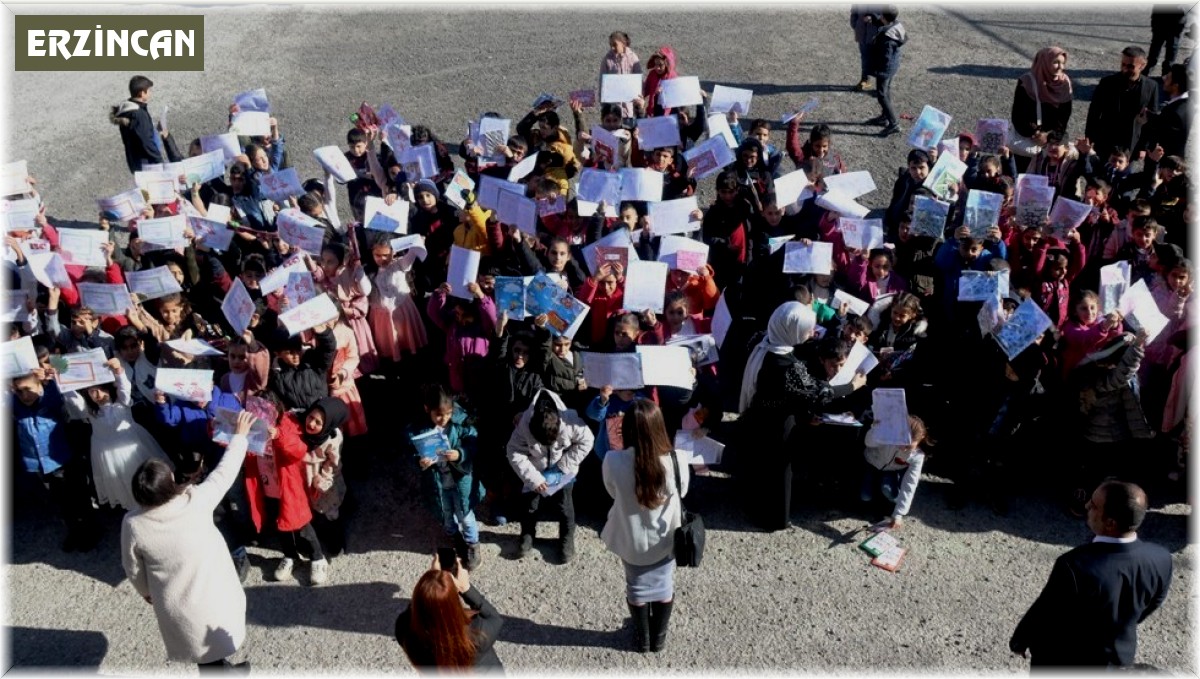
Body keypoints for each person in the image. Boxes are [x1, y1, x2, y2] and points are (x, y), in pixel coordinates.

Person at [121, 411, 257, 672]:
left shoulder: (134, 523)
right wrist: (239, 437)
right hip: (214, 594)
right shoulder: (195, 502)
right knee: (211, 650)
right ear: (170, 483)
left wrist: (146, 592)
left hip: (178, 607)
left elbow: (133, 568)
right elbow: (224, 472)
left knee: (201, 649)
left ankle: (224, 668)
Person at [1009, 480, 1173, 668]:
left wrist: (1020, 641)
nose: (1086, 505)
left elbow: (1046, 613)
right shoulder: (1161, 558)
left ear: (1110, 523)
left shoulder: (1074, 565)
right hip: (1118, 661)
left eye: (1093, 505)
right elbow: (1152, 604)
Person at [600, 399, 690, 653]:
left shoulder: (613, 460)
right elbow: (682, 491)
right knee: (665, 585)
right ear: (659, 427)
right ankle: (658, 639)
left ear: (627, 429)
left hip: (631, 539)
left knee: (635, 585)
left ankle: (642, 639)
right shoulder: (677, 460)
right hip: (666, 538)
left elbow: (611, 492)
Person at [394, 554, 504, 670]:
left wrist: (432, 585)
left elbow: (416, 608)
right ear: (453, 599)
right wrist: (465, 588)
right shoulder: (478, 633)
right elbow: (495, 618)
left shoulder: (404, 629)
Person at [1084, 46, 1159, 159]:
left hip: (1132, 144)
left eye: (1130, 66)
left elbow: (1152, 120)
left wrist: (1144, 147)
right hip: (1106, 141)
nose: (1124, 69)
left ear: (1142, 66)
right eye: (1123, 64)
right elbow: (1094, 112)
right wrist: (1089, 139)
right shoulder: (1107, 83)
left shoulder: (1151, 86)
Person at [1009, 47, 1074, 165]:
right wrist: (1036, 133)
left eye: (1063, 63)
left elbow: (1064, 117)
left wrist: (1049, 136)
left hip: (1051, 145)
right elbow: (1018, 114)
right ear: (1044, 62)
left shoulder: (1064, 83)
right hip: (1028, 141)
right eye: (1056, 62)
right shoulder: (1027, 82)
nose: (1061, 67)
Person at [110, 74, 178, 174]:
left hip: (136, 161)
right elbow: (146, 141)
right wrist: (159, 161)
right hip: (147, 164)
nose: (150, 92)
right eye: (149, 90)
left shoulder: (127, 110)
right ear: (142, 93)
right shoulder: (138, 114)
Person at [866, 7, 907, 136]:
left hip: (885, 68)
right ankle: (885, 116)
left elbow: (885, 57)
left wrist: (876, 68)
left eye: (881, 16)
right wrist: (873, 20)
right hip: (893, 66)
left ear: (884, 17)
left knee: (882, 95)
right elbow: (885, 23)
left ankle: (894, 124)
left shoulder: (886, 38)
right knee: (886, 91)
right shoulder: (896, 25)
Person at [1137, 64, 1191, 159]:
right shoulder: (1185, 102)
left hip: (1165, 163)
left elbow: (1164, 133)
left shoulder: (1176, 112)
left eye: (1168, 78)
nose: (1164, 78)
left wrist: (1147, 120)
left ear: (1175, 86)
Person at [1147, 5, 1188, 75]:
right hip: (1162, 17)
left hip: (1175, 19)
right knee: (1156, 47)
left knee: (1170, 48)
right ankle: (1148, 70)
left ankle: (1166, 75)